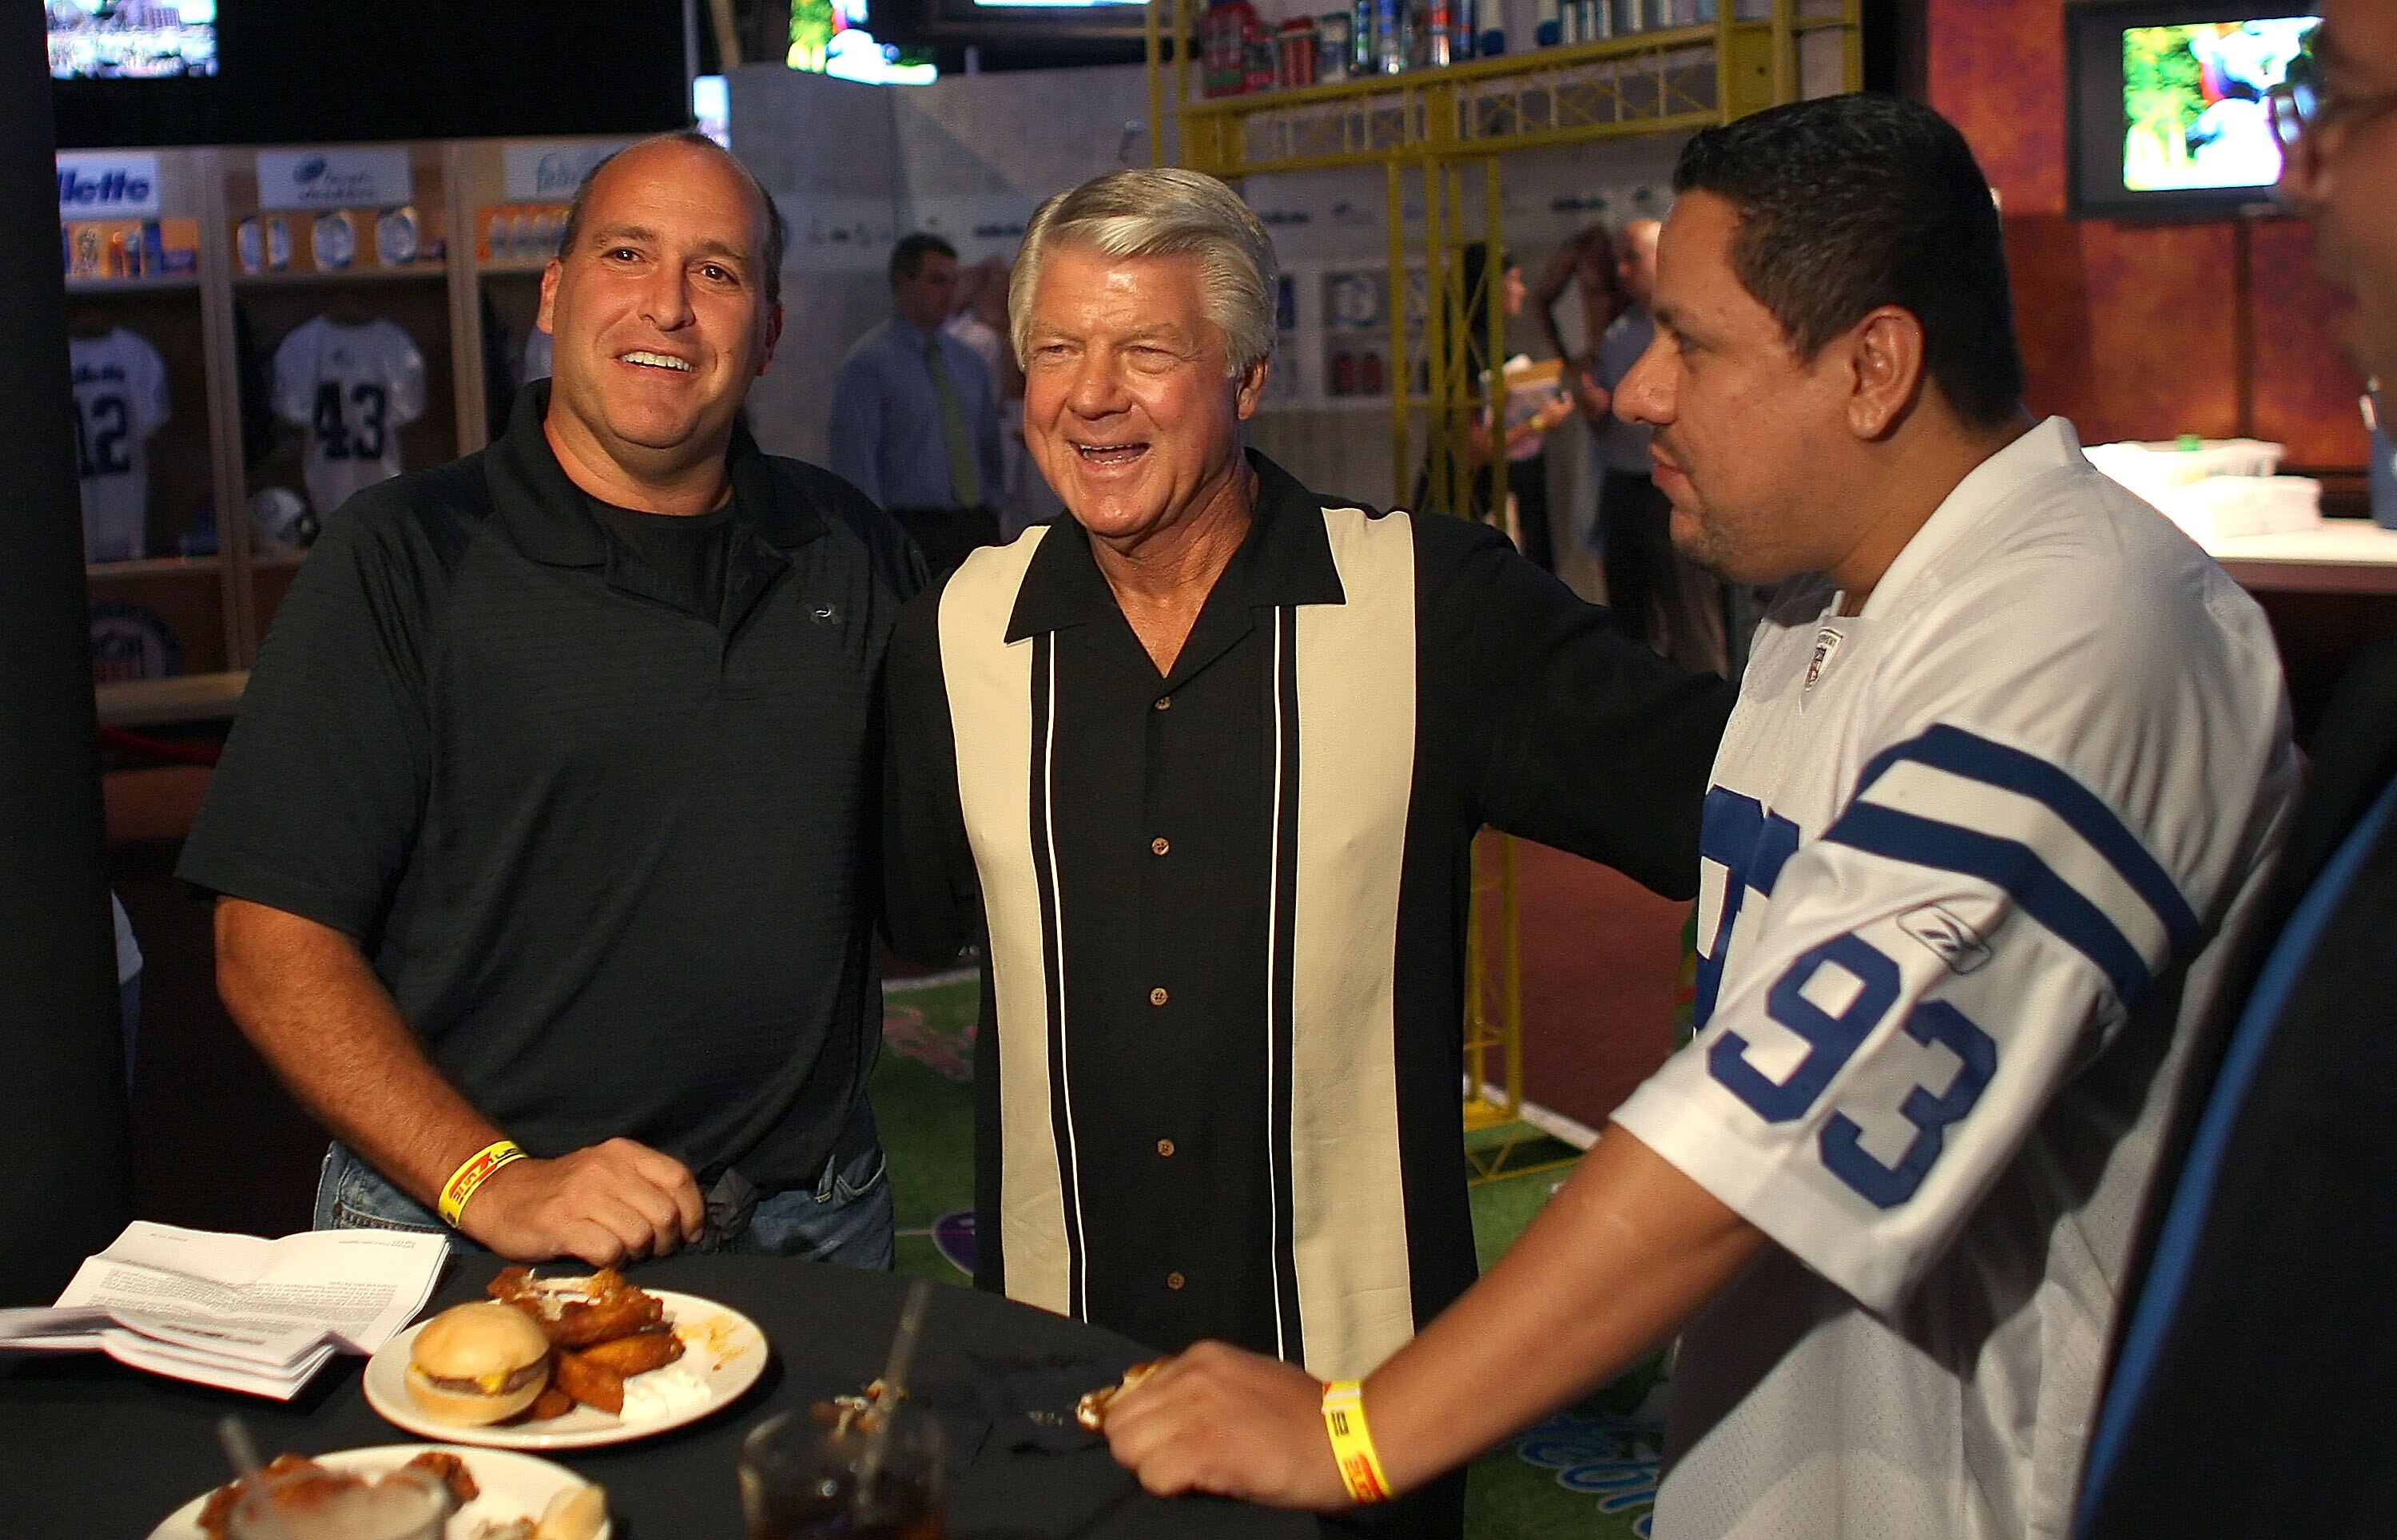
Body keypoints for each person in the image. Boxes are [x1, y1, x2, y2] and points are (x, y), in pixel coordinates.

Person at [1098, 95, 2299, 1540]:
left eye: (1695, 342)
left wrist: (1361, 1427)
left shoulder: (2092, 623)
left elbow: (1773, 1116)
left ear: (1874, 369)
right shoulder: (1824, 600)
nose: (1637, 389)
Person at [881, 167, 1734, 1540]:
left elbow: (1733, 786)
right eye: (1057, 348)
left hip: (1354, 1417)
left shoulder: (1428, 605)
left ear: (1249, 379)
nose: (1091, 393)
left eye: (1148, 351)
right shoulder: (958, 632)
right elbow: (900, 904)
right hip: (1053, 1401)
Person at [177, 133, 921, 1268]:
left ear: (768, 330)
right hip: (470, 1234)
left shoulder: (851, 550)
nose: (668, 306)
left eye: (717, 272)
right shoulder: (404, 554)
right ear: (557, 295)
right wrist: (494, 1181)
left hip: (807, 1229)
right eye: (629, 254)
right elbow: (268, 943)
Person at [1578, 217, 1727, 673]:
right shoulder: (1618, 336)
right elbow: (1607, 420)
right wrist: (1593, 407)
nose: (1623, 271)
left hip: (1673, 487)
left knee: (1689, 617)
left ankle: (1710, 725)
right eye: (1618, 261)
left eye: (1632, 259)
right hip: (1624, 488)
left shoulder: (1705, 325)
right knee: (1629, 620)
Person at [831, 232, 1006, 578]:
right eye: (937, 281)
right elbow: (857, 462)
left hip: (973, 524)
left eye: (953, 282)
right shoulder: (869, 364)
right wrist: (876, 540)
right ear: (904, 281)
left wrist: (994, 505)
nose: (948, 294)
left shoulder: (968, 362)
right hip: (912, 528)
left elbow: (988, 445)